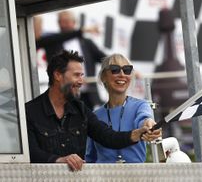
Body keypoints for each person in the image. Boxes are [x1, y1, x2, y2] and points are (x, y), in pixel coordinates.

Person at [25, 50, 161, 171]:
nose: (81, 81)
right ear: (58, 75)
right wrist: (59, 160)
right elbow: (30, 152)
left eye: (127, 70)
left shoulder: (81, 110)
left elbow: (108, 137)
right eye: (76, 75)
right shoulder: (30, 111)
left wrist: (139, 132)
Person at [85, 54, 156, 163]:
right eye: (115, 70)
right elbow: (90, 158)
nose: (122, 75)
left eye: (127, 70)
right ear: (103, 76)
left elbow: (145, 118)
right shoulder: (95, 116)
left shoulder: (141, 105)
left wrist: (148, 124)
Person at [35, 11, 105, 110]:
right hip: (64, 93)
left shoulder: (86, 43)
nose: (65, 25)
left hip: (87, 95)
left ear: (74, 22)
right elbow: (40, 41)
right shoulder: (53, 42)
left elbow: (104, 59)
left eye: (67, 21)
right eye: (62, 22)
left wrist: (123, 66)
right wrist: (81, 31)